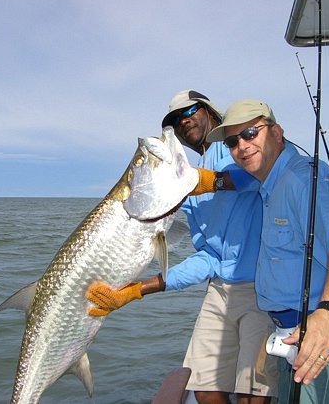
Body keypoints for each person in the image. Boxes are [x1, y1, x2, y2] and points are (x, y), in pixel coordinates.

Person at [86, 90, 278, 404]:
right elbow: (207, 257)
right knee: (203, 386)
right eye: (176, 120)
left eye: (189, 111)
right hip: (221, 288)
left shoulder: (231, 148)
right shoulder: (189, 190)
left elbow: (253, 176)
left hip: (261, 289)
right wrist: (136, 289)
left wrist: (199, 180)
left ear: (211, 113)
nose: (183, 121)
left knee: (252, 393)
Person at [205, 99, 329, 403]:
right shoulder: (271, 185)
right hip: (294, 343)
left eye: (250, 133)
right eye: (232, 141)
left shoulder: (304, 178)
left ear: (277, 133)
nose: (242, 146)